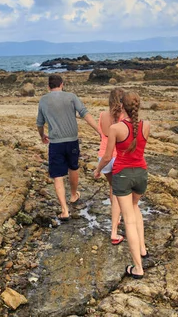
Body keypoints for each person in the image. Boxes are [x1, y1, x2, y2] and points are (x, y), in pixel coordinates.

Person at [94, 91, 150, 279]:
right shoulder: (146, 125)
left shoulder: (116, 128)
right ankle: (142, 249)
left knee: (128, 219)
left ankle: (137, 268)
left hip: (123, 175)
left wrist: (97, 169)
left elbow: (108, 156)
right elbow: (139, 148)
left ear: (122, 106)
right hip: (141, 173)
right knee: (135, 208)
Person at [37, 74, 99, 221]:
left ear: (48, 87)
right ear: (62, 84)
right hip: (72, 141)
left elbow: (40, 123)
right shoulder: (71, 96)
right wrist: (99, 130)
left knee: (57, 176)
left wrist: (42, 136)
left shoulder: (43, 100)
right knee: (73, 167)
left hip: (55, 143)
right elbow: (85, 113)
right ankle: (73, 195)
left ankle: (64, 210)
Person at [97, 88, 125, 245]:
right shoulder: (124, 118)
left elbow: (102, 135)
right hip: (118, 157)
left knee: (113, 188)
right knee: (117, 192)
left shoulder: (102, 115)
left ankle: (118, 216)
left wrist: (98, 168)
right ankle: (114, 232)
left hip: (104, 157)